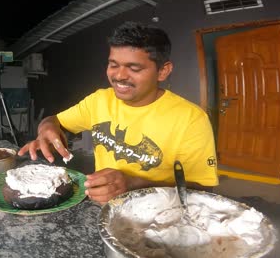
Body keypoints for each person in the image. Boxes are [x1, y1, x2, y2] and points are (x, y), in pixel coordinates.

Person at [18, 21, 218, 204]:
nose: (119, 76)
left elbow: (203, 190)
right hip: (104, 208)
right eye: (113, 65)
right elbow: (54, 120)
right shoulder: (99, 100)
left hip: (159, 216)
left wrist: (134, 184)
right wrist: (46, 128)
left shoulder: (191, 119)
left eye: (134, 68)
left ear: (163, 71)